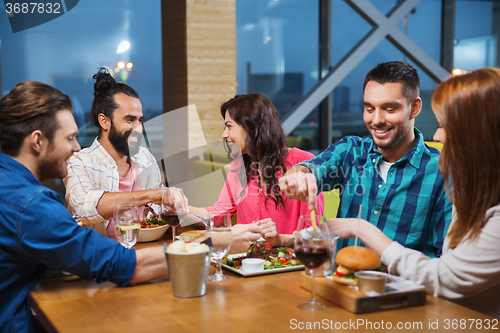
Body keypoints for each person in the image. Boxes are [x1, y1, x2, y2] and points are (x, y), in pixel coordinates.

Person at [328, 67, 500, 318]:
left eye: (445, 125)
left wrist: (361, 228)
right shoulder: (474, 194)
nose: (438, 134)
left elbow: (444, 277)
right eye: (369, 107)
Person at [0, 81, 169, 332]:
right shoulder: (31, 204)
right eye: (69, 138)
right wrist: (210, 244)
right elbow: (122, 265)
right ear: (37, 141)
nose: (77, 147)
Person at [279, 61, 452, 257]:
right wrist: (298, 176)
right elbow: (312, 168)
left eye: (389, 109)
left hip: (402, 287)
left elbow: (444, 260)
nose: (376, 120)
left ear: (414, 107)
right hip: (340, 283)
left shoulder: (443, 171)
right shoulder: (350, 150)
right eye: (369, 109)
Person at [188, 94, 324, 247]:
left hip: (288, 264)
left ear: (250, 126)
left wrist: (279, 239)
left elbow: (314, 234)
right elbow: (218, 214)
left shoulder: (304, 165)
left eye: (229, 126)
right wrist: (179, 209)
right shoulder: (239, 166)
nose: (224, 134)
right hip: (245, 264)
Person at [65, 68, 164, 238]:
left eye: (140, 120)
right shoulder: (78, 162)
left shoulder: (145, 157)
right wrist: (149, 195)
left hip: (146, 249)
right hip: (99, 260)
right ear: (104, 121)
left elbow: (159, 212)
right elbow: (83, 207)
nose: (138, 129)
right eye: (129, 120)